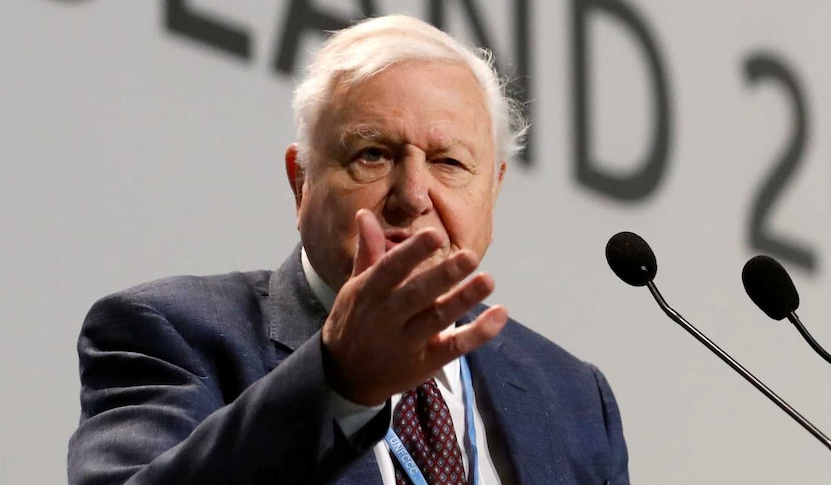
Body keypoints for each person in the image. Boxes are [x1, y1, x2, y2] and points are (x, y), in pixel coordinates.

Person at [67, 14, 629, 485]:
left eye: (449, 163)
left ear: (495, 189)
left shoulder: (573, 397)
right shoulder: (171, 333)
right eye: (374, 155)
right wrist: (339, 381)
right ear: (301, 181)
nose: (412, 196)